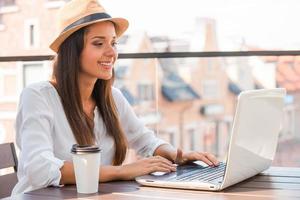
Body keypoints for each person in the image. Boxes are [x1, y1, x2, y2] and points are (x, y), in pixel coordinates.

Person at [12, 0, 219, 195]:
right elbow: (38, 169)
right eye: (98, 43)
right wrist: (123, 171)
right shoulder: (38, 96)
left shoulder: (112, 97)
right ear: (72, 51)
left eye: (114, 43)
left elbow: (144, 140)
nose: (111, 52)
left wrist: (177, 155)